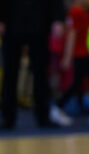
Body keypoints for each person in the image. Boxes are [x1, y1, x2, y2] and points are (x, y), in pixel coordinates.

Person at [0, 0, 65, 130]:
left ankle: (43, 116)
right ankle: (7, 117)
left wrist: (58, 19)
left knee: (41, 73)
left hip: (40, 22)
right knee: (10, 73)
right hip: (12, 21)